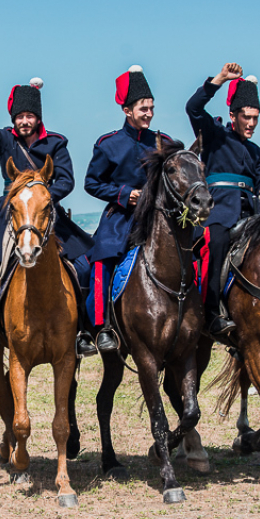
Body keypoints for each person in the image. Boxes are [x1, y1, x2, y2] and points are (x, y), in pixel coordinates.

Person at [0, 73, 97, 359]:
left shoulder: (56, 144)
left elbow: (66, 180)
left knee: (84, 266)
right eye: (20, 117)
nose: (24, 121)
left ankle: (83, 332)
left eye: (29, 116)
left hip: (45, 213)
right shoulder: (3, 139)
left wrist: (43, 198)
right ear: (13, 118)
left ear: (38, 118)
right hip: (10, 214)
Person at [84, 65, 169, 352]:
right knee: (101, 261)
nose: (149, 113)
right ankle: (102, 327)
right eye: (143, 108)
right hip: (120, 218)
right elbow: (91, 183)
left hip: (157, 218)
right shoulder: (108, 145)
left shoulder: (163, 143)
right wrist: (124, 194)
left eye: (151, 108)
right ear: (127, 110)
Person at [186, 62, 260, 337]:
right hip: (219, 212)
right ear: (233, 115)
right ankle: (210, 312)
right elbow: (193, 108)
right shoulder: (214, 135)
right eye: (247, 117)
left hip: (252, 215)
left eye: (256, 118)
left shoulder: (256, 150)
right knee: (217, 241)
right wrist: (219, 79)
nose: (252, 123)